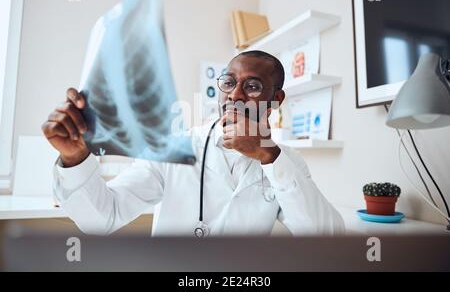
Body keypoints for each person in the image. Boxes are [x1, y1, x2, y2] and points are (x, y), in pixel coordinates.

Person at [42, 50, 344, 236]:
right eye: (228, 83)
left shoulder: (284, 161)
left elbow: (325, 238)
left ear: (275, 100)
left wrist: (270, 156)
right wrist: (76, 159)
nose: (235, 95)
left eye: (252, 86)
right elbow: (103, 218)